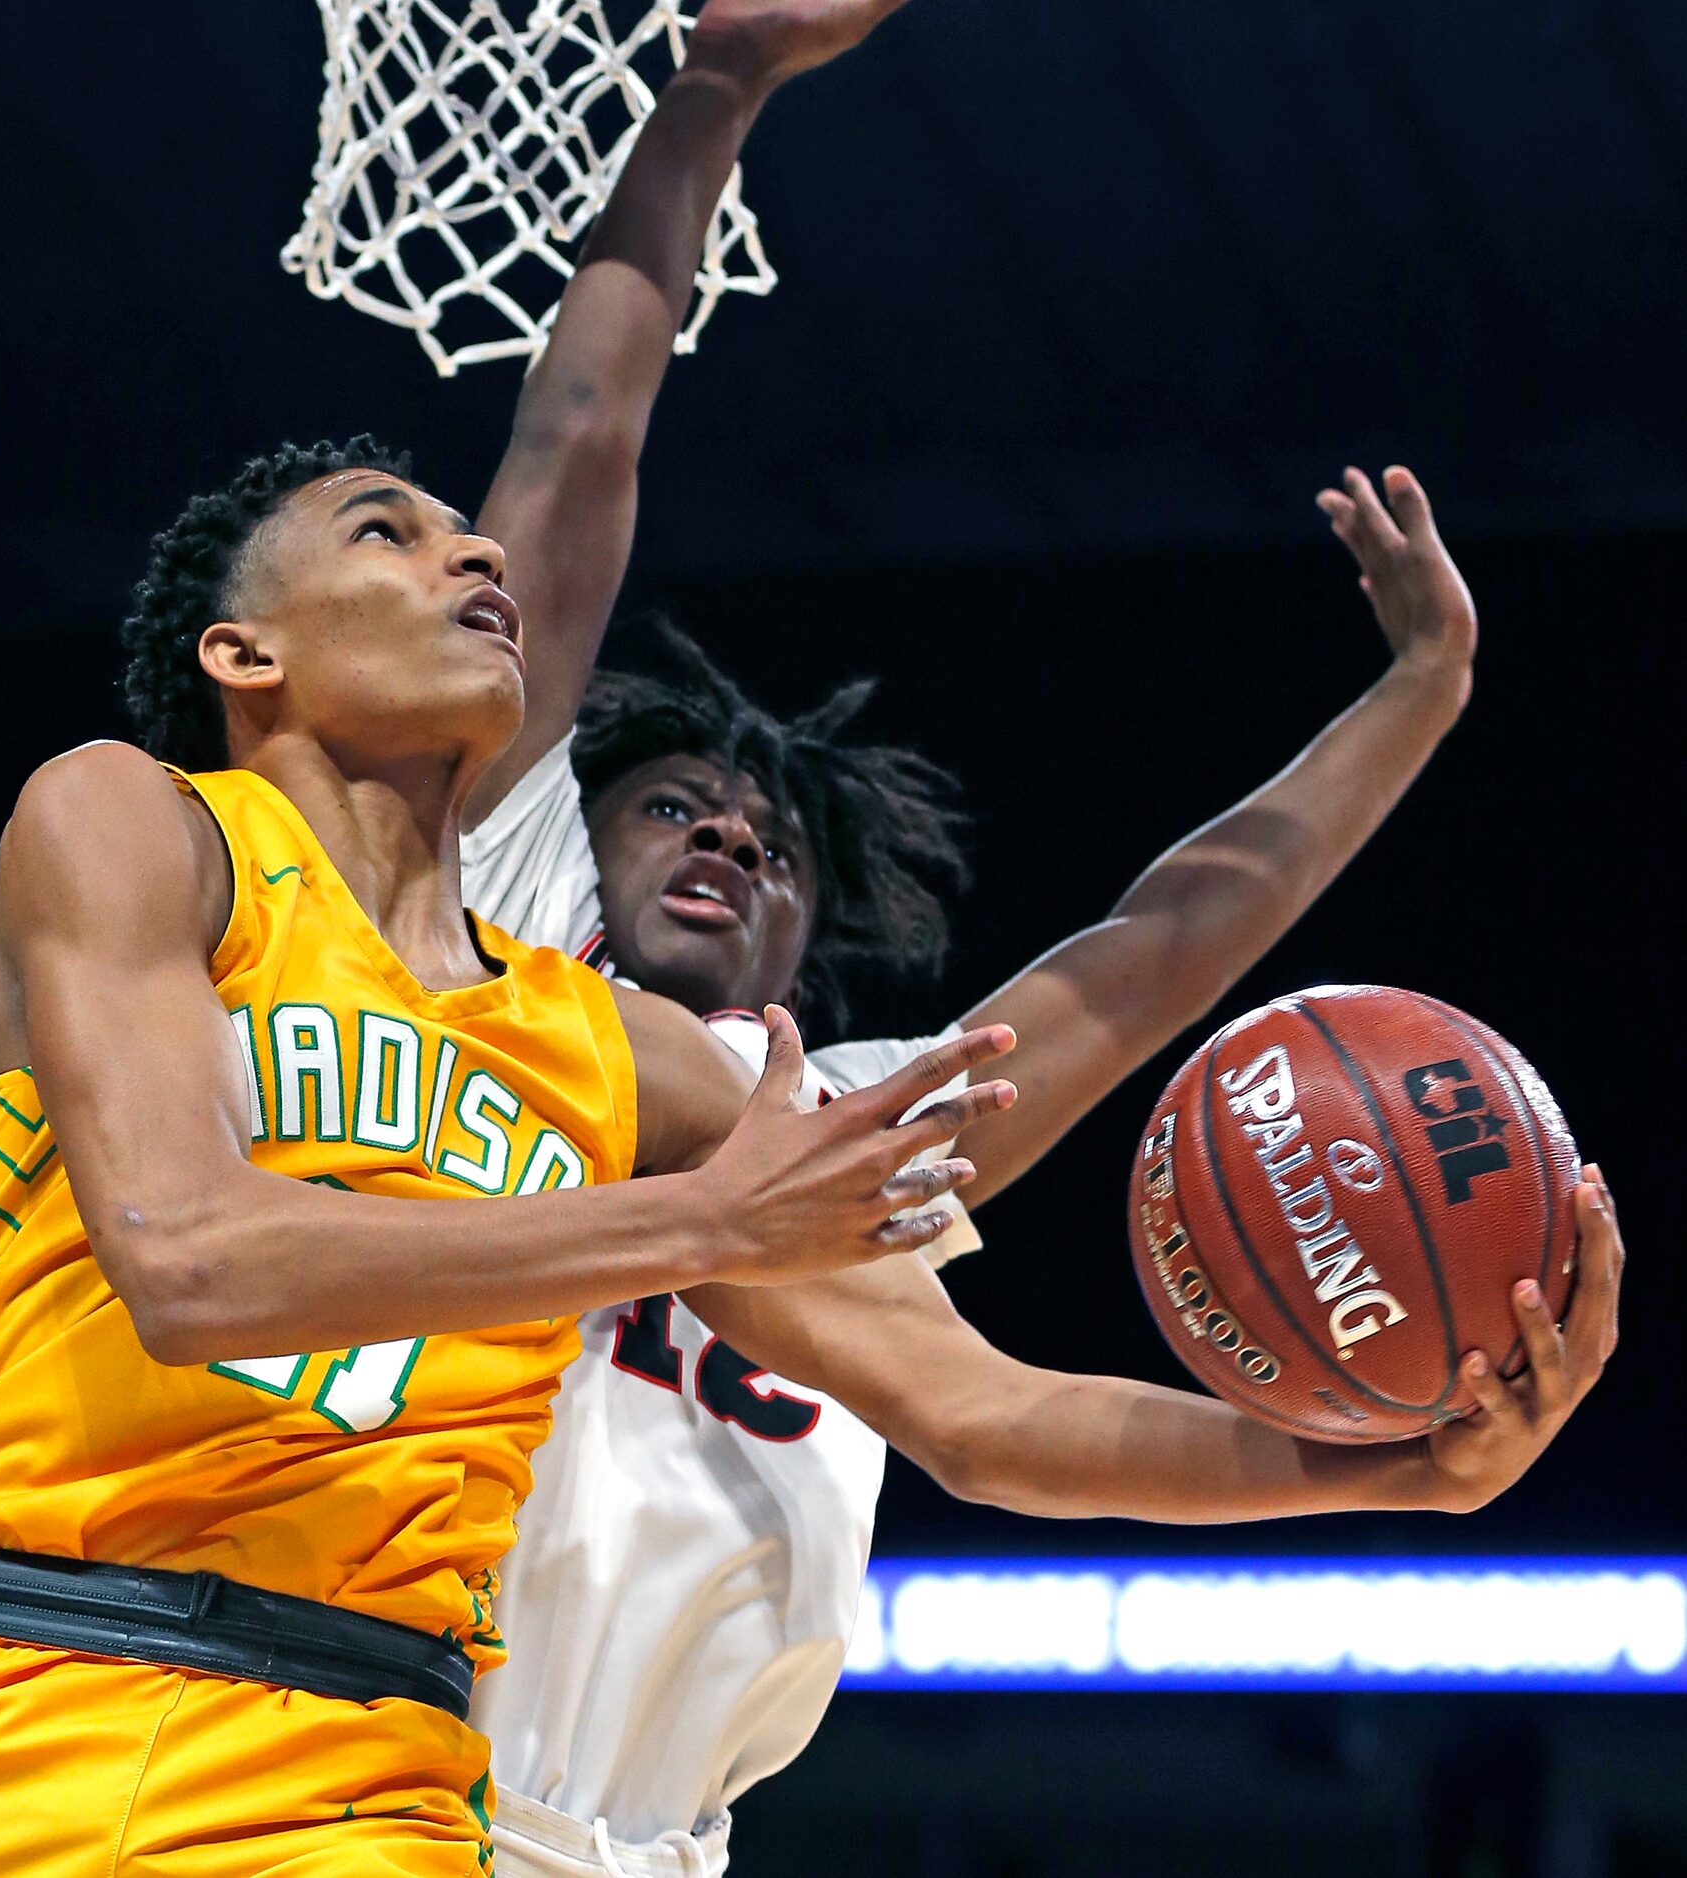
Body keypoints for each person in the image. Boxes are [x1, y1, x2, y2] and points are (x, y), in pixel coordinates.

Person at [434, 9, 1625, 1864]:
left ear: (800, 937)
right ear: (560, 835)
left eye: (766, 846)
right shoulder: (487, 941)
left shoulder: (835, 1127)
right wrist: (711, 98)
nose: (728, 832)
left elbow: (1159, 946)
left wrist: (1421, 694)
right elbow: (575, 455)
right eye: (672, 804)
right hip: (361, 1778)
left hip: (648, 1842)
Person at [0, 436, 1009, 1878]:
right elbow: (190, 1259)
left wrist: (1316, 1435)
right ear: (242, 648)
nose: (475, 557)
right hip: (2, 1690)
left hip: (354, 1774)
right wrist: (696, 1223)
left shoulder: (621, 1049)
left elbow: (992, 1417)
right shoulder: (136, 823)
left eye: (471, 539)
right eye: (386, 532)